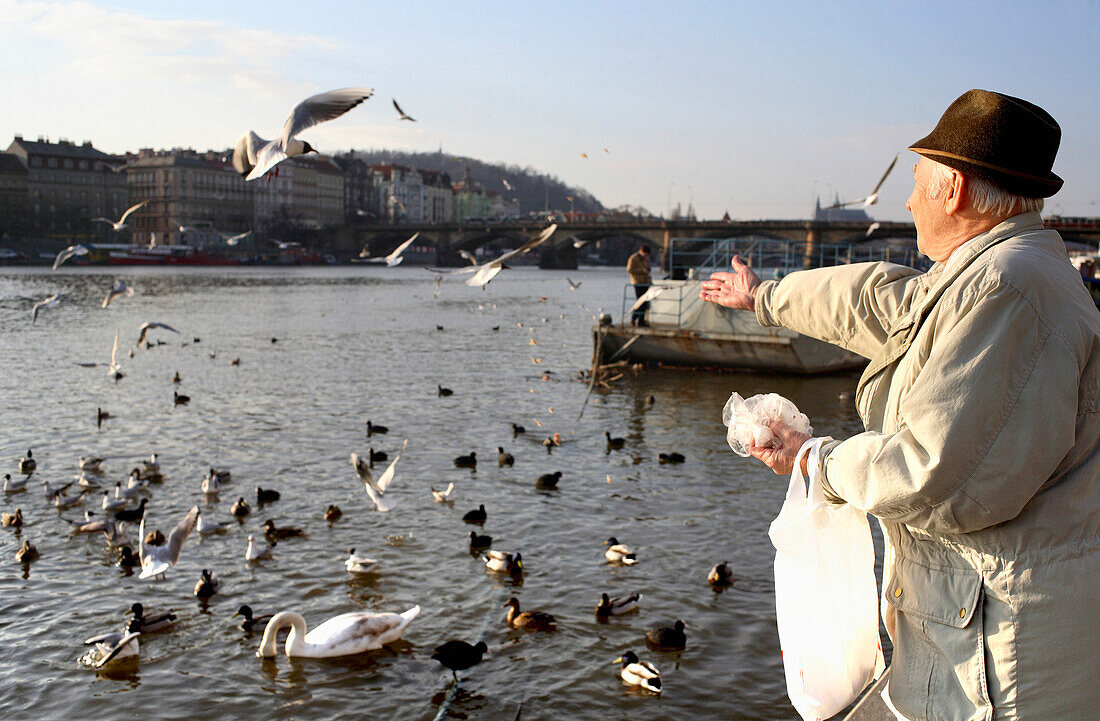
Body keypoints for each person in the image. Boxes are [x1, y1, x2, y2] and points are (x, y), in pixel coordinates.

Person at [701, 89, 1100, 719]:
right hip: (979, 634)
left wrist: (814, 462)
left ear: (955, 190)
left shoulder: (1008, 289)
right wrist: (767, 297)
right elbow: (875, 300)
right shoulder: (997, 272)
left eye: (917, 183)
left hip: (999, 663)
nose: (909, 200)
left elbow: (938, 474)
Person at [626, 245, 652, 326]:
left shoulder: (644, 259)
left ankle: (641, 321)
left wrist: (647, 270)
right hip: (638, 283)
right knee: (640, 302)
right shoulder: (633, 258)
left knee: (645, 302)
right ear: (642, 251)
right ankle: (633, 319)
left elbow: (646, 267)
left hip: (645, 282)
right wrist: (642, 270)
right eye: (646, 254)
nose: (646, 256)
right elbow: (629, 269)